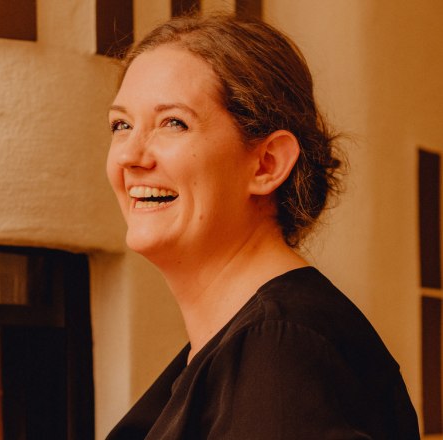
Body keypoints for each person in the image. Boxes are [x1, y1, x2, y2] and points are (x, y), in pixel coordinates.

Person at [104, 14, 419, 439]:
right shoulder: (241, 344)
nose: (129, 156)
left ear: (267, 164)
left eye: (173, 122)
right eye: (121, 125)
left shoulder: (280, 348)